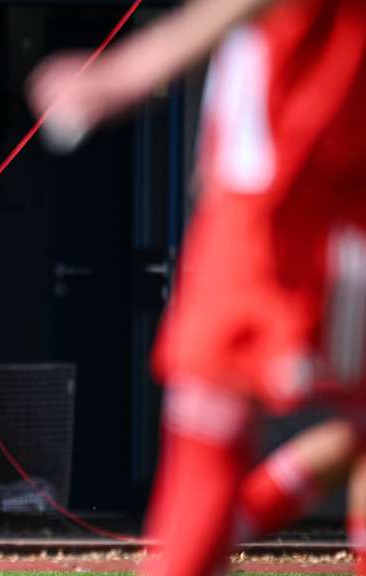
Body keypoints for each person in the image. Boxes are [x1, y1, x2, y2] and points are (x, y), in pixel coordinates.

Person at [28, 0, 366, 574]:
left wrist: (129, 70)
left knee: (212, 446)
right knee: (219, 440)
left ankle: (209, 537)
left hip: (301, 205)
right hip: (259, 205)